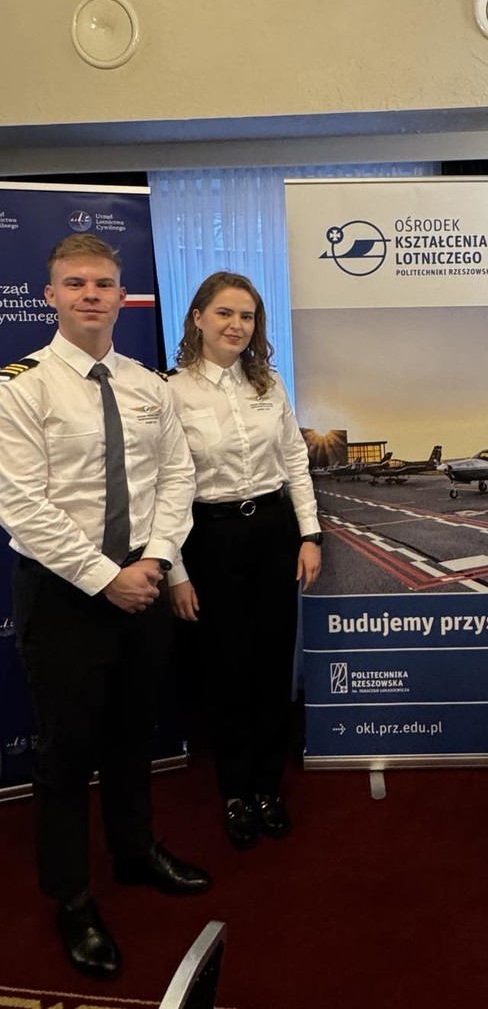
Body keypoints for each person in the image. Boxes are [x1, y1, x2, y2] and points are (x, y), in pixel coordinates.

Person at [0, 233, 209, 982]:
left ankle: (134, 851)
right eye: (75, 283)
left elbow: (176, 479)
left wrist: (156, 560)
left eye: (103, 284)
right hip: (65, 594)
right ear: (50, 296)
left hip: (143, 582)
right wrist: (104, 577)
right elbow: (22, 505)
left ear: (124, 297)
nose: (90, 294)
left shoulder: (149, 386)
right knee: (65, 753)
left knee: (131, 734)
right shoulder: (19, 387)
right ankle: (71, 897)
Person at [167, 271, 322, 851]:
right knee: (225, 669)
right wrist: (176, 571)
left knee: (272, 665)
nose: (237, 325)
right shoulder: (171, 391)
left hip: (274, 533)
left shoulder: (269, 384)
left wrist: (310, 535)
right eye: (225, 313)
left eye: (248, 316)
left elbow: (295, 462)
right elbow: (164, 486)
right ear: (198, 318)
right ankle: (235, 791)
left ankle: (267, 787)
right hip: (211, 539)